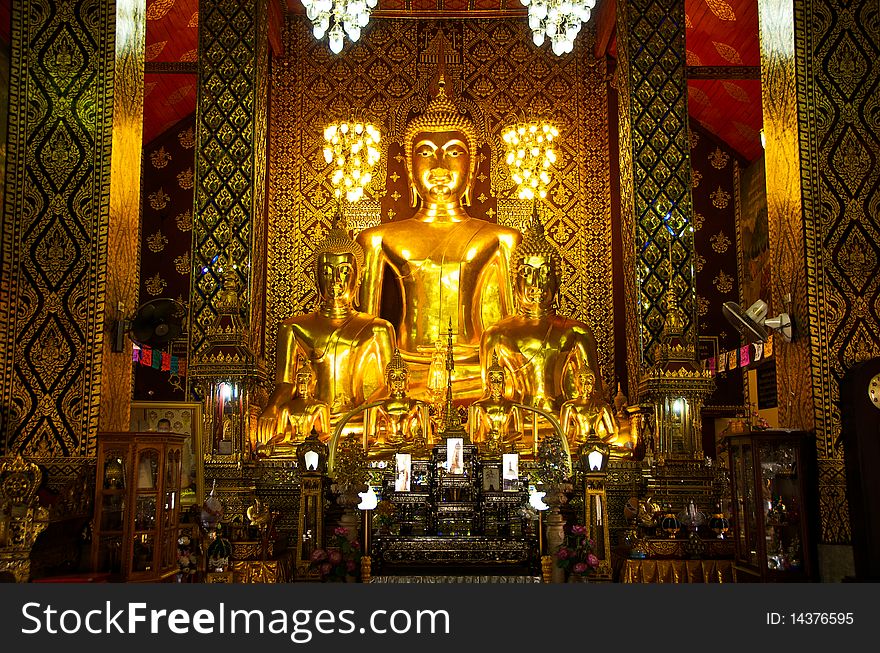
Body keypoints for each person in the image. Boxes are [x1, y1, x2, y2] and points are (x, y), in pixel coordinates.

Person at [355, 74, 521, 398]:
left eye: (455, 152)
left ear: (472, 170)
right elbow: (366, 336)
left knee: (509, 387)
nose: (440, 165)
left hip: (476, 369)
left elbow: (510, 334)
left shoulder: (501, 239)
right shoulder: (377, 239)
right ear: (408, 168)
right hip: (406, 370)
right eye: (426, 152)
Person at [258, 217, 396, 443]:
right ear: (316, 277)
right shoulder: (293, 327)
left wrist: (369, 411)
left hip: (357, 421)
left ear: (358, 278)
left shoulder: (378, 328)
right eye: (327, 271)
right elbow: (286, 383)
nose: (335, 280)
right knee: (278, 432)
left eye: (344, 271)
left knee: (383, 430)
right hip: (309, 422)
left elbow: (390, 385)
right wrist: (273, 407)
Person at [480, 211, 603, 414]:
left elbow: (593, 399)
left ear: (558, 280)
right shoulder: (496, 334)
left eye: (545, 273)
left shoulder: (576, 332)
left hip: (565, 421)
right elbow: (489, 399)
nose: (536, 285)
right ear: (514, 281)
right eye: (527, 273)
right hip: (515, 424)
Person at [259, 358, 331, 454]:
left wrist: (311, 441)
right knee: (262, 451)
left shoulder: (321, 406)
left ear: (314, 383)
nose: (303, 384)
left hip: (311, 446)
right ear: (295, 382)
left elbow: (326, 433)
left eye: (307, 380)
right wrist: (271, 441)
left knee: (313, 452)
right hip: (291, 445)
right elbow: (281, 434)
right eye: (300, 380)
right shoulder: (286, 407)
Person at [365, 349, 428, 454]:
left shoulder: (417, 405)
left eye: (402, 376)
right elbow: (371, 438)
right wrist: (375, 443)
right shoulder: (377, 406)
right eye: (393, 377)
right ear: (387, 379)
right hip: (388, 447)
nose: (397, 381)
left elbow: (426, 437)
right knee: (372, 454)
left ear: (408, 379)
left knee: (418, 452)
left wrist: (415, 443)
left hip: (410, 446)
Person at [469, 351, 523, 452]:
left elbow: (519, 432)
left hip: (506, 447)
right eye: (492, 379)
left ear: (504, 381)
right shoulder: (478, 406)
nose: (496, 383)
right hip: (485, 448)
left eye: (499, 379)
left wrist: (503, 442)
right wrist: (485, 443)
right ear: (487, 382)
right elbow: (473, 433)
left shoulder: (514, 406)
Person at [559, 366, 618, 448]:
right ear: (576, 382)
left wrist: (599, 443)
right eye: (582, 381)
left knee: (627, 453)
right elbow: (563, 434)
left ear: (594, 383)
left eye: (589, 381)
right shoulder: (568, 406)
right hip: (578, 445)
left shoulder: (603, 405)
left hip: (598, 444)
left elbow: (613, 434)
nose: (586, 384)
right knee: (568, 454)